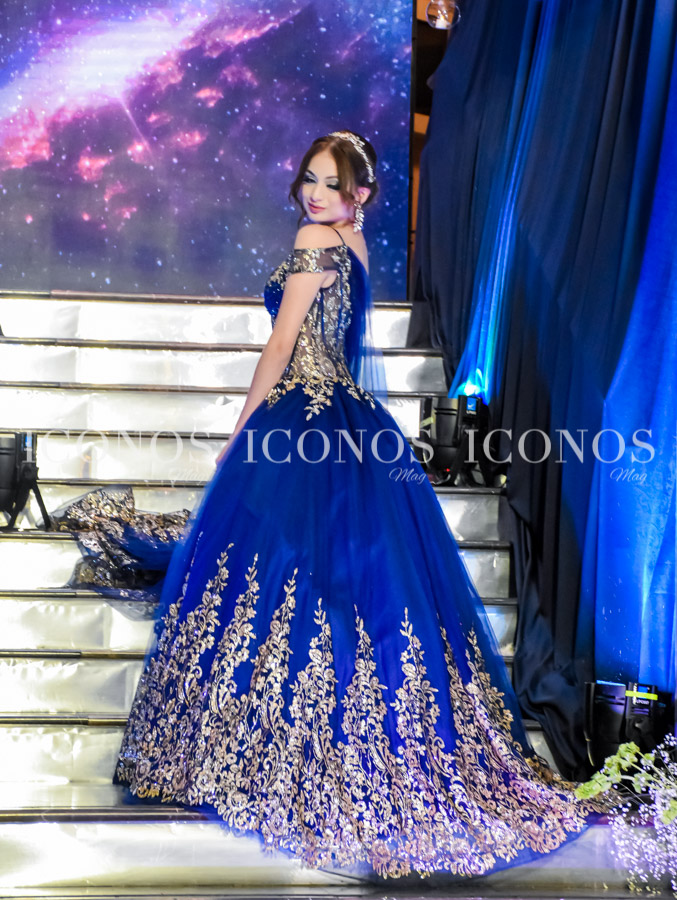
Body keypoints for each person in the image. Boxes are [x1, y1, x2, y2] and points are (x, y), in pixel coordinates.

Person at [111, 130, 599, 878]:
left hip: (298, 418)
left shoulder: (314, 239)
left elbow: (282, 347)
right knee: (336, 576)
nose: (314, 194)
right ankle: (357, 722)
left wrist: (241, 430)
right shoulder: (356, 245)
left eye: (332, 184)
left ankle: (272, 735)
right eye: (309, 179)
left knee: (283, 566)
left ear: (359, 194)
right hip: (351, 422)